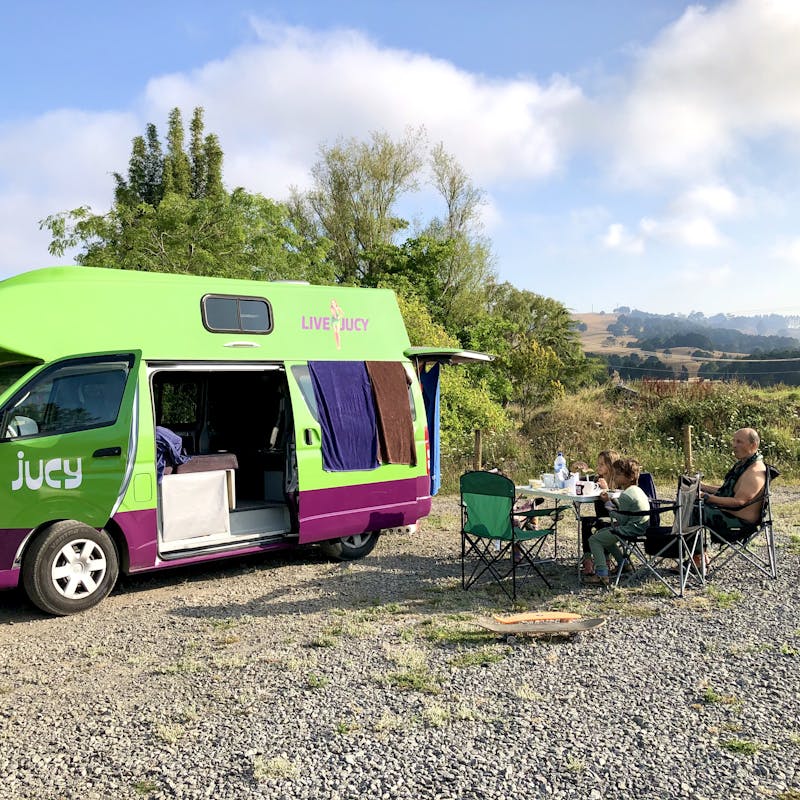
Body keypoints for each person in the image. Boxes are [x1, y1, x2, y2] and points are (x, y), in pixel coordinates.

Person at [585, 458, 650, 585]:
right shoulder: (637, 490)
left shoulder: (626, 495)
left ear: (631, 477)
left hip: (630, 530)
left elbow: (621, 519)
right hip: (640, 527)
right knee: (602, 534)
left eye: (618, 474)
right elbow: (626, 512)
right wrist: (612, 501)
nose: (615, 476)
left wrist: (607, 503)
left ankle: (602, 574)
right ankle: (623, 564)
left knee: (594, 539)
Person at [700, 428, 767, 537]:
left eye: (739, 442)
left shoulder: (754, 472)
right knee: (688, 505)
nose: (734, 445)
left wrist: (705, 497)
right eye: (734, 441)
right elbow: (728, 491)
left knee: (691, 510)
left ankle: (690, 547)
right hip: (729, 514)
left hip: (739, 522)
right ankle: (691, 545)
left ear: (753, 445)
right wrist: (702, 486)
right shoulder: (745, 465)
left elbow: (739, 501)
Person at [580, 450, 619, 575]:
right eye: (598, 464)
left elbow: (618, 505)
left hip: (615, 519)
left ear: (611, 466)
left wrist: (607, 490)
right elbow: (578, 481)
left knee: (603, 525)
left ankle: (606, 559)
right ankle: (587, 559)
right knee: (586, 522)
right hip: (601, 517)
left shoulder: (619, 481)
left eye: (602, 464)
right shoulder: (597, 479)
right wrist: (575, 469)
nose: (598, 467)